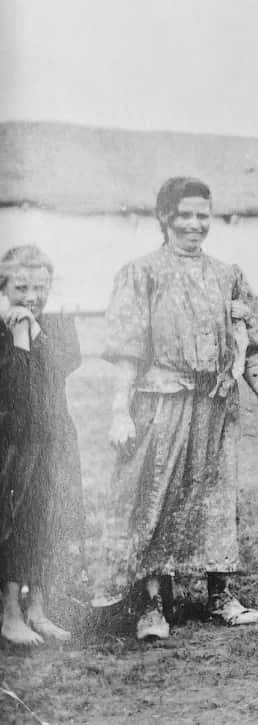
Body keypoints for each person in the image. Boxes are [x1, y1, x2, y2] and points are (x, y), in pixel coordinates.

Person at [100, 177, 258, 641]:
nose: (194, 224)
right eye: (184, 214)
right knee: (156, 498)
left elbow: (252, 355)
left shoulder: (229, 275)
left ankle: (220, 596)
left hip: (216, 405)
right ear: (164, 217)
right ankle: (152, 605)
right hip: (161, 403)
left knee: (215, 499)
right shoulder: (142, 273)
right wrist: (119, 411)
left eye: (202, 215)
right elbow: (127, 354)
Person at [0, 246, 83, 646]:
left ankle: (38, 609)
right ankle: (10, 613)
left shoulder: (59, 323)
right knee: (14, 520)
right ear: (4, 287)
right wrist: (19, 336)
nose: (31, 296)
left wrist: (34, 332)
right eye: (21, 287)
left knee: (49, 516)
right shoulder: (4, 328)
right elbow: (16, 387)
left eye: (40, 287)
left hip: (53, 435)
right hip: (12, 440)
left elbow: (62, 367)